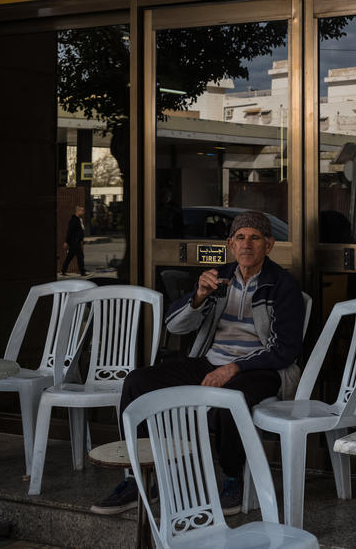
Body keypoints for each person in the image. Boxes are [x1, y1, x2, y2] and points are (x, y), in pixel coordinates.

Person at [91, 210, 304, 516]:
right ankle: (139, 477)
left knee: (230, 400)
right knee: (138, 382)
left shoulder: (282, 285)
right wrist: (199, 296)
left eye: (255, 238)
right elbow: (175, 327)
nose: (247, 245)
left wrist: (234, 367)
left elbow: (285, 350)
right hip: (211, 362)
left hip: (261, 369)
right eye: (240, 238)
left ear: (269, 245)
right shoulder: (219, 278)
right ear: (230, 244)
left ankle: (234, 477)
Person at [60, 205, 86, 276]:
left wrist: (82, 239)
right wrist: (66, 242)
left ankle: (63, 270)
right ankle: (82, 272)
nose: (84, 212)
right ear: (78, 211)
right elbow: (69, 231)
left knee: (70, 257)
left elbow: (79, 231)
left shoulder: (78, 219)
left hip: (76, 242)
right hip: (74, 242)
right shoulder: (73, 220)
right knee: (80, 256)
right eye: (82, 210)